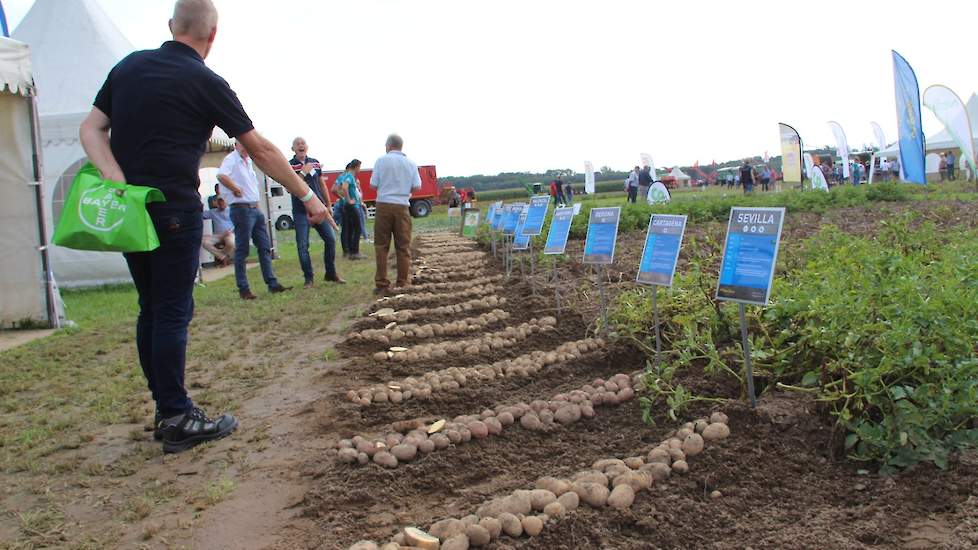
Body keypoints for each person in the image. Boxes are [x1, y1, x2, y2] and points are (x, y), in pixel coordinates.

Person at [78, 0, 328, 454]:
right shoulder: (206, 81)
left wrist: (115, 177)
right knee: (172, 311)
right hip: (174, 208)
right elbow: (262, 149)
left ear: (172, 26)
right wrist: (308, 195)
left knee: (151, 308)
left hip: (132, 208)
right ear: (213, 36)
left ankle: (165, 407)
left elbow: (92, 129)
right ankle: (176, 415)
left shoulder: (128, 67)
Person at [218, 140, 290, 298]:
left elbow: (252, 186)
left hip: (254, 209)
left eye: (247, 144)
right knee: (242, 250)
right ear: (236, 144)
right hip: (241, 209)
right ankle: (243, 289)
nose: (245, 147)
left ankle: (272, 283)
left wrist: (258, 207)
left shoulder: (248, 161)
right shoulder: (232, 159)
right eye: (242, 144)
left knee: (264, 247)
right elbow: (221, 175)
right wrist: (235, 188)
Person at [289, 137, 343, 288]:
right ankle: (309, 279)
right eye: (297, 144)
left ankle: (331, 273)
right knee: (302, 245)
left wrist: (328, 204)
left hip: (319, 208)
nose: (301, 145)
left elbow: (321, 184)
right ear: (293, 149)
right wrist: (302, 174)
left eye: (303, 143)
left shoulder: (315, 163)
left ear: (307, 147)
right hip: (301, 211)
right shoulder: (290, 165)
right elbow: (289, 188)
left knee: (330, 239)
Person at [371, 134, 421, 294]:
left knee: (381, 246)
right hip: (402, 206)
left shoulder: (380, 161)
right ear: (401, 146)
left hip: (383, 205)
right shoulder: (411, 164)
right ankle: (402, 282)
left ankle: (382, 283)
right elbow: (417, 186)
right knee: (403, 246)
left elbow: (373, 184)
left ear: (388, 145)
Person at [337, 159, 365, 260]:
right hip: (351, 206)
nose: (360, 170)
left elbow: (338, 189)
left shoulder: (346, 175)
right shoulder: (349, 176)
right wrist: (348, 200)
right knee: (357, 228)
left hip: (348, 205)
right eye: (359, 167)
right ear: (356, 167)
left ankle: (350, 251)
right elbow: (344, 188)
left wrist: (343, 198)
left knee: (350, 228)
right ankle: (355, 252)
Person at [201, 196, 234, 267]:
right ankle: (223, 257)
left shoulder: (232, 211)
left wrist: (230, 231)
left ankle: (222, 257)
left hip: (229, 234)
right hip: (218, 235)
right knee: (203, 241)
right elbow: (200, 215)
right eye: (219, 201)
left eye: (222, 201)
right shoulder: (213, 212)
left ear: (226, 202)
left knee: (231, 243)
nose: (221, 203)